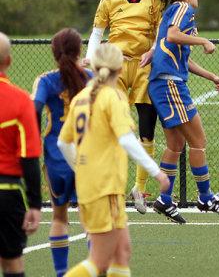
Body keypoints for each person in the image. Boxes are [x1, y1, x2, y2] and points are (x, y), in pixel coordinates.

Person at [82, 0, 184, 214]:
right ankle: (103, 186)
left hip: (143, 67)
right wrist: (90, 58)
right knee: (108, 127)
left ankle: (139, 189)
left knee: (146, 130)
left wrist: (152, 50)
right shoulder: (109, 1)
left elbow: (164, 32)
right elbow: (96, 34)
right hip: (115, 67)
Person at [58, 42, 169, 277]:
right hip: (104, 188)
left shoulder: (81, 97)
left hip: (95, 187)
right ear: (120, 70)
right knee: (99, 261)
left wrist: (80, 168)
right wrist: (156, 172)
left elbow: (63, 142)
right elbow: (127, 140)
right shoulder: (113, 96)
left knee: (122, 252)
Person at [148, 0, 219, 224]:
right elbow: (174, 36)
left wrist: (211, 76)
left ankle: (165, 200)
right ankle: (206, 198)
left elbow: (181, 55)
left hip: (163, 84)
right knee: (199, 141)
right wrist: (203, 40)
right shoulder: (182, 7)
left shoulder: (176, 11)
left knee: (175, 145)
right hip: (169, 84)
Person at [31, 28, 93, 277]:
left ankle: (60, 273)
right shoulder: (90, 78)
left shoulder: (45, 80)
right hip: (87, 158)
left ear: (54, 54)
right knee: (90, 219)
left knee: (59, 217)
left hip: (56, 158)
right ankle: (95, 267)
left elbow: (34, 108)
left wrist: (34, 140)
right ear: (80, 51)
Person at [0, 32, 42, 277]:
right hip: (8, 195)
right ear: (10, 61)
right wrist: (35, 204)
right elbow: (29, 158)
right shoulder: (21, 101)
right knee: (13, 264)